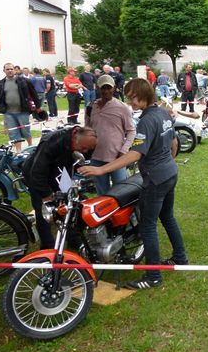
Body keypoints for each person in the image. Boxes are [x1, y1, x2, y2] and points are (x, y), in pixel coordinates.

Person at [79, 78, 188, 290]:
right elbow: (174, 142)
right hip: (170, 173)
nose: (130, 102)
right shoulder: (163, 113)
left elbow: (135, 154)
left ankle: (153, 276)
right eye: (128, 97)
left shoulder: (146, 121)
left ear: (144, 94)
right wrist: (169, 162)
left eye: (133, 97)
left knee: (147, 226)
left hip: (156, 179)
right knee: (167, 217)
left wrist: (101, 169)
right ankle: (180, 258)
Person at [23, 126, 97, 249]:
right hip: (36, 173)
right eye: (83, 148)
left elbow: (83, 158)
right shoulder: (52, 142)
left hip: (61, 171)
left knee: (70, 201)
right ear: (75, 139)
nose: (85, 151)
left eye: (88, 149)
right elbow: (38, 171)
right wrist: (47, 195)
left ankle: (73, 239)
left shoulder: (87, 142)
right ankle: (47, 246)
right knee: (43, 209)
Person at [85, 75, 135, 195]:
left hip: (117, 158)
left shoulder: (122, 107)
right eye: (103, 88)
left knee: (121, 194)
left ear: (114, 88)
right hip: (96, 158)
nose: (106, 91)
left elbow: (131, 131)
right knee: (102, 194)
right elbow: (87, 129)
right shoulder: (91, 107)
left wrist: (124, 150)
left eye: (109, 87)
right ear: (98, 88)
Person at [0, 62, 40, 151]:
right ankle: (18, 152)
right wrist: (1, 108)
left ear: (15, 70)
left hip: (22, 111)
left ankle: (30, 147)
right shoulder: (0, 83)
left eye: (11, 69)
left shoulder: (24, 81)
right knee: (13, 133)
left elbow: (34, 93)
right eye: (7, 69)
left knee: (25, 130)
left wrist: (38, 106)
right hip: (8, 113)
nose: (10, 71)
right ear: (4, 71)